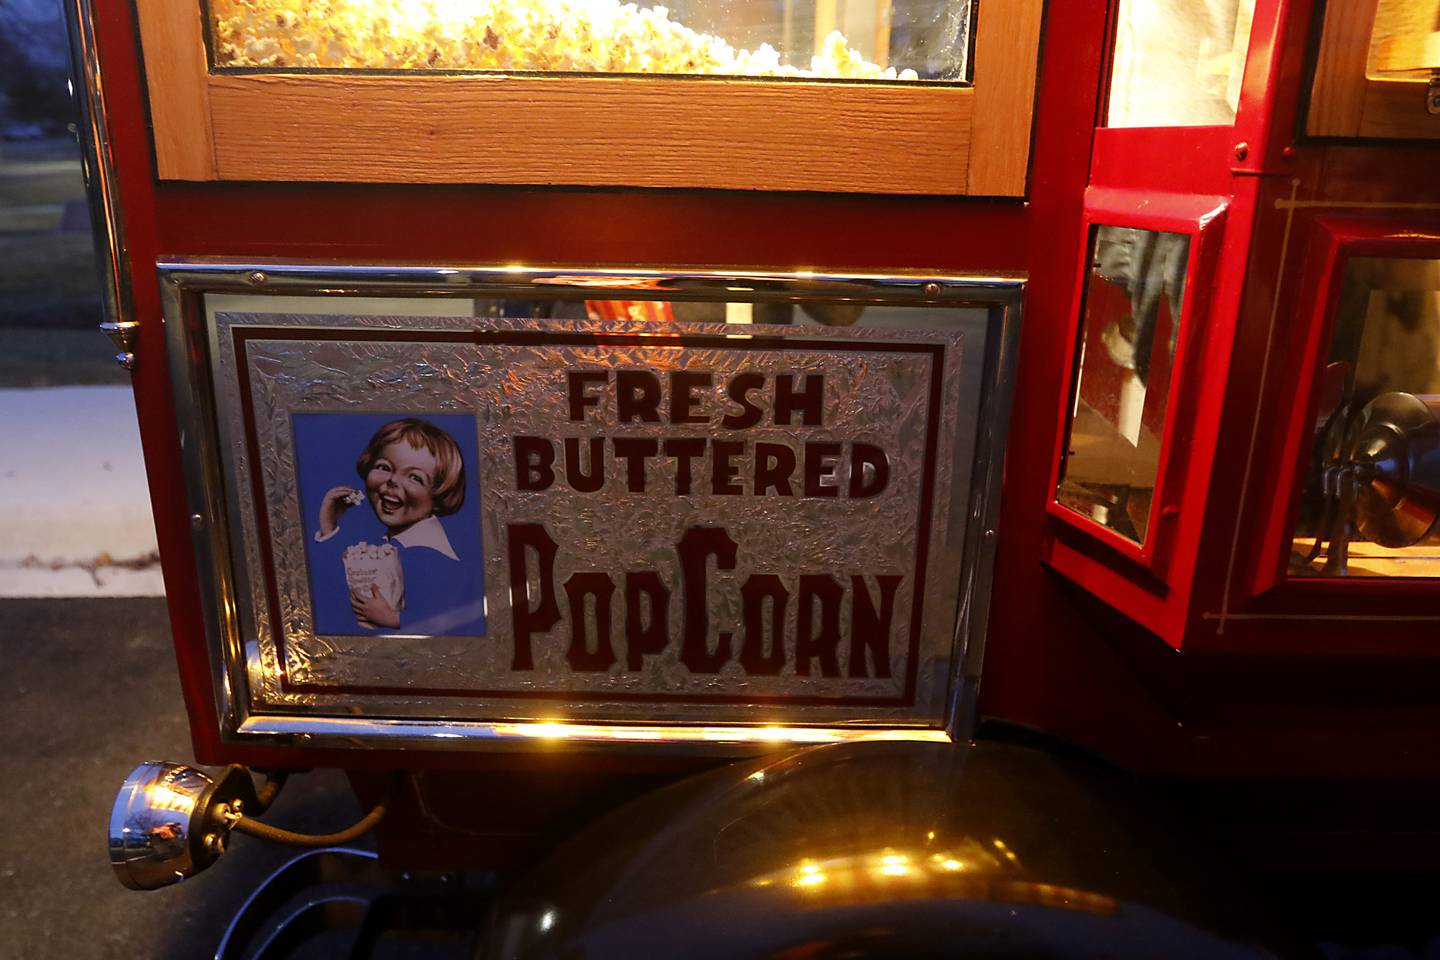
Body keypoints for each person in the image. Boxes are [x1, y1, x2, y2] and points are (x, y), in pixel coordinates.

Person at [309, 417, 485, 636]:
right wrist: (328, 525)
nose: (393, 480)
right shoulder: (392, 546)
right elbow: (331, 590)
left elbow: (457, 616)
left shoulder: (432, 554)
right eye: (384, 467)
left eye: (415, 477)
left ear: (439, 496)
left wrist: (392, 619)